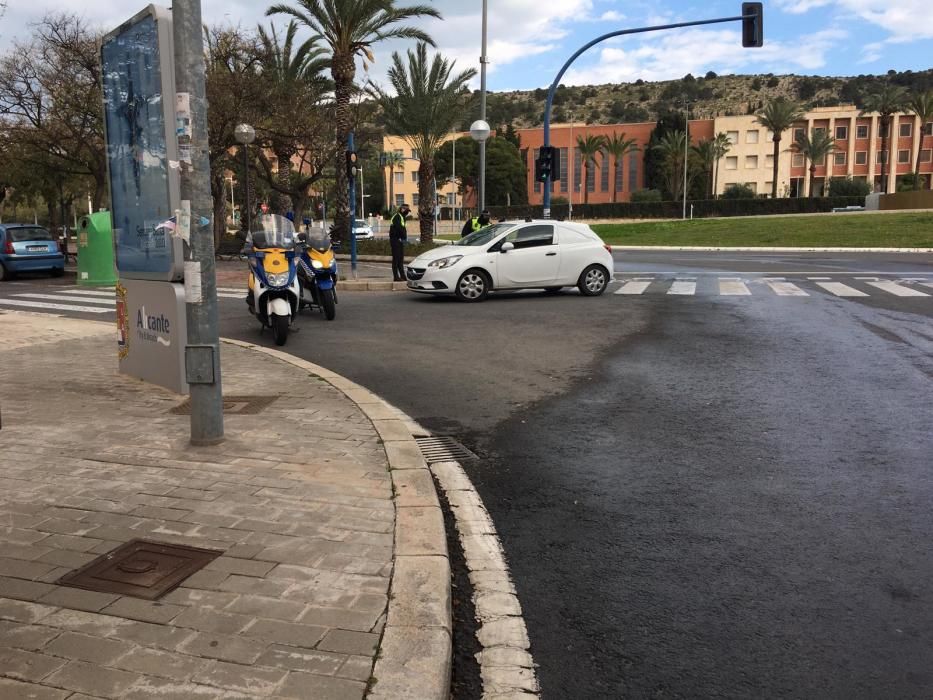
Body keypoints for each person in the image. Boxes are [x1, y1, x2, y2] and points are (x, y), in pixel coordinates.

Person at [389, 203, 410, 281]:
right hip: (395, 240)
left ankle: (402, 276)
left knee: (400, 259)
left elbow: (403, 229)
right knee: (396, 259)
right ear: (402, 209)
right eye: (407, 210)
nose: (407, 212)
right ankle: (396, 277)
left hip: (400, 240)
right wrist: (403, 237)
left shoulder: (402, 217)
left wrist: (404, 239)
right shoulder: (397, 217)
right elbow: (399, 229)